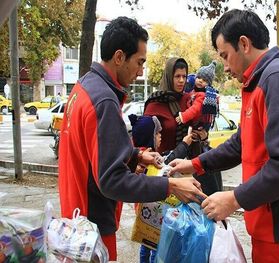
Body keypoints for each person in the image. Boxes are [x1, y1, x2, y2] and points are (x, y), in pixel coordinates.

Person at [169, 9, 279, 262]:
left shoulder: (277, 79)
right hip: (270, 225)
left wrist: (234, 198)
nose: (225, 66)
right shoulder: (256, 83)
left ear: (244, 44)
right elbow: (240, 144)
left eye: (225, 56)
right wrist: (195, 164)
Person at [58, 17, 206, 261]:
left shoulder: (84, 87)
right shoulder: (104, 101)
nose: (140, 72)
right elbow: (111, 180)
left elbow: (92, 150)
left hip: (76, 215)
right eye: (139, 62)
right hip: (91, 226)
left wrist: (135, 155)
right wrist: (170, 185)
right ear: (119, 57)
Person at [144, 57, 222, 196]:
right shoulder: (154, 104)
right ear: (169, 76)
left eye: (184, 76)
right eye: (177, 76)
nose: (181, 80)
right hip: (164, 170)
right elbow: (146, 146)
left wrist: (203, 134)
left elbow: (199, 122)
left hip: (190, 171)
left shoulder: (190, 99)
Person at [128, 114, 193, 263]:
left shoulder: (136, 154)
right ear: (148, 136)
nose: (160, 136)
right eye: (157, 133)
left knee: (145, 242)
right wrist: (184, 143)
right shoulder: (148, 157)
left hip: (142, 209)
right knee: (156, 240)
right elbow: (169, 160)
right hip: (153, 209)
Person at [176, 61, 219, 131]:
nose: (200, 81)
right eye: (199, 77)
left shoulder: (202, 95)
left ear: (209, 84)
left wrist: (183, 116)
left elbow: (195, 109)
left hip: (196, 124)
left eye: (204, 80)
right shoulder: (194, 91)